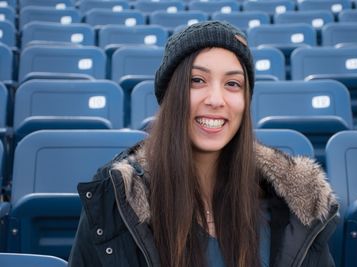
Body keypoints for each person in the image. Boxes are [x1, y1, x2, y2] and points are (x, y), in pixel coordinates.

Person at [69, 21, 339, 267]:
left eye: (233, 84)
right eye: (197, 80)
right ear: (171, 95)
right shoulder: (115, 200)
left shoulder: (293, 205)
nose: (216, 99)